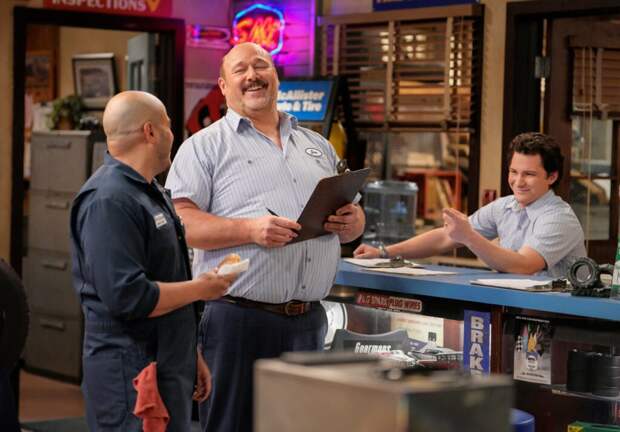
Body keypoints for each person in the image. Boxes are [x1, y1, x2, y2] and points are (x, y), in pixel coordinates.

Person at [165, 42, 365, 432]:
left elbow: (353, 217)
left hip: (309, 321)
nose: (252, 75)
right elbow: (182, 224)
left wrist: (354, 223)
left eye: (261, 66)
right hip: (238, 321)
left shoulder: (316, 146)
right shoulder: (204, 147)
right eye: (240, 70)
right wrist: (249, 229)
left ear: (276, 77)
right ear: (223, 86)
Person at [70, 91, 236, 431]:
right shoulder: (109, 200)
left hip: (168, 363)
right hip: (129, 375)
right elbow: (129, 296)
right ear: (150, 132)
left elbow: (164, 275)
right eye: (169, 126)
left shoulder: (150, 192)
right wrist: (202, 289)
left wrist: (191, 355)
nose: (173, 135)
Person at [355, 132, 587, 278]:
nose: (518, 182)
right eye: (513, 172)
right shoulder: (505, 206)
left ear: (552, 177)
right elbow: (446, 237)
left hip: (561, 321)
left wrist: (469, 237)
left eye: (529, 174)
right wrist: (383, 252)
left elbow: (525, 265)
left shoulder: (558, 217)